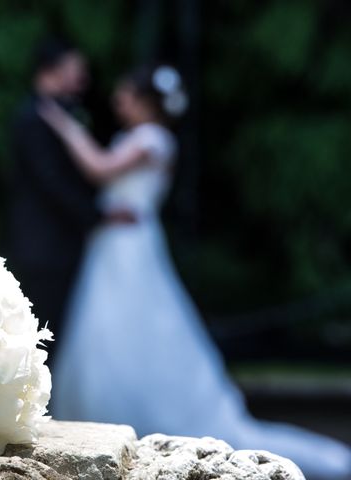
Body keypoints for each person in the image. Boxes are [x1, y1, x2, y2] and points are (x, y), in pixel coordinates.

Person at [41, 65, 351, 480]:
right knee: (108, 330)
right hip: (111, 245)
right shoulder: (143, 137)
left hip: (131, 246)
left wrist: (63, 126)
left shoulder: (152, 139)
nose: (119, 102)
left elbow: (100, 168)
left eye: (127, 95)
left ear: (146, 102)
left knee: (130, 327)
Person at [8, 39, 101, 366]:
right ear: (52, 70)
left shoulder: (63, 112)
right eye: (76, 69)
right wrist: (97, 216)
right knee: (43, 330)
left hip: (62, 243)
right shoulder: (33, 118)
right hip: (44, 245)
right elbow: (51, 183)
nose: (82, 77)